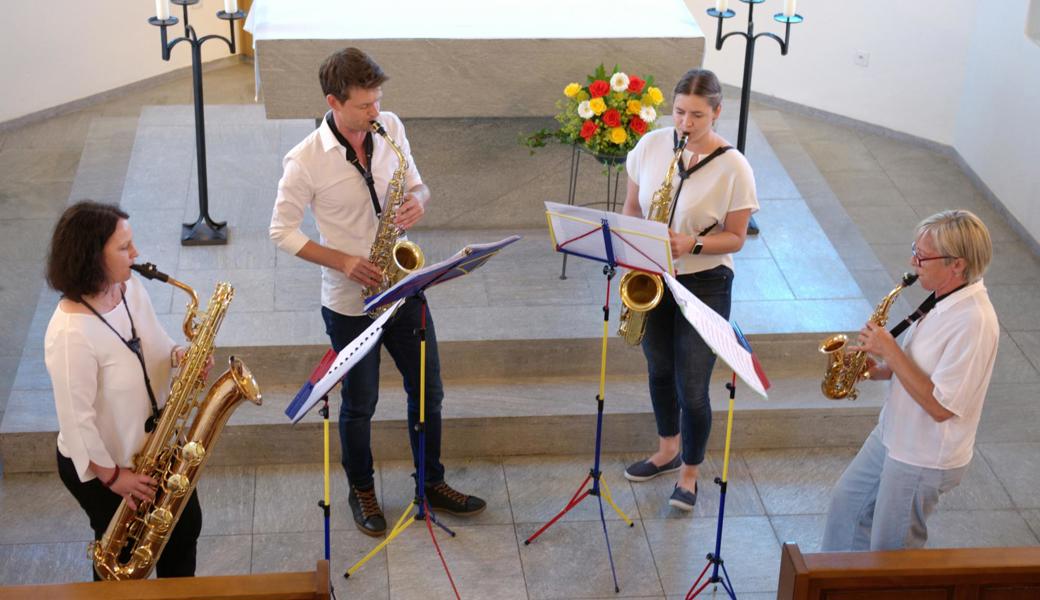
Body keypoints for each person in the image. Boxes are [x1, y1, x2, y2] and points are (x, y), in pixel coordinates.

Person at [270, 47, 485, 537]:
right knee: (360, 403)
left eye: (377, 101)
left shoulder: (390, 125)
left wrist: (418, 204)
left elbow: (419, 186)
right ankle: (361, 489)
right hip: (350, 301)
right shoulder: (304, 160)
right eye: (364, 106)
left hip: (404, 285)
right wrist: (344, 261)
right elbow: (280, 231)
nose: (375, 113)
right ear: (333, 101)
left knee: (429, 392)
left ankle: (431, 481)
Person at [621, 69, 758, 510]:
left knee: (693, 385)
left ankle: (690, 473)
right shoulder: (651, 146)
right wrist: (633, 250)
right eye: (679, 112)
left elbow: (736, 237)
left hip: (706, 281)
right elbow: (630, 207)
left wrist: (692, 243)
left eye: (697, 115)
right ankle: (666, 449)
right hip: (655, 274)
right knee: (659, 367)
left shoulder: (734, 166)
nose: (685, 123)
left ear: (717, 113)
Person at [821, 210, 998, 551]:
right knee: (847, 508)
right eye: (914, 249)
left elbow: (941, 406)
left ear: (956, 265)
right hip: (893, 433)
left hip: (922, 456)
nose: (912, 261)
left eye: (922, 256)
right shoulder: (941, 298)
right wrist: (878, 369)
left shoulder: (973, 322)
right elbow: (922, 367)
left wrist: (890, 351)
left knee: (892, 551)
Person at [45, 201, 202, 579]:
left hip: (154, 450)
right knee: (123, 559)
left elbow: (154, 344)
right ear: (91, 257)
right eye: (124, 247)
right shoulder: (70, 335)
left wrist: (182, 356)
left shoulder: (128, 290)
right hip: (108, 467)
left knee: (183, 531)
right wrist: (116, 479)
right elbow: (78, 423)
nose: (136, 254)